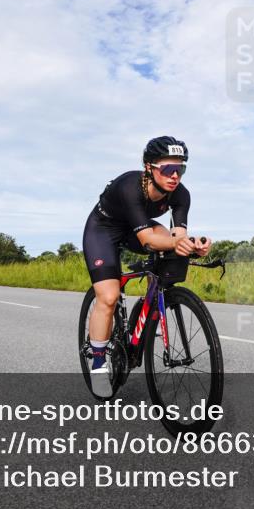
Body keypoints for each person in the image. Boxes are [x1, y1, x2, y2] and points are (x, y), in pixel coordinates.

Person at [82, 136, 211, 396]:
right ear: (149, 167)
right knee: (108, 297)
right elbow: (147, 240)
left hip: (136, 228)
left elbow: (177, 235)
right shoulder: (130, 186)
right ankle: (98, 363)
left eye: (181, 169)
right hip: (104, 230)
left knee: (169, 247)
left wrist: (193, 245)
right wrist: (174, 243)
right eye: (168, 168)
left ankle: (151, 304)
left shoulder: (181, 194)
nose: (175, 176)